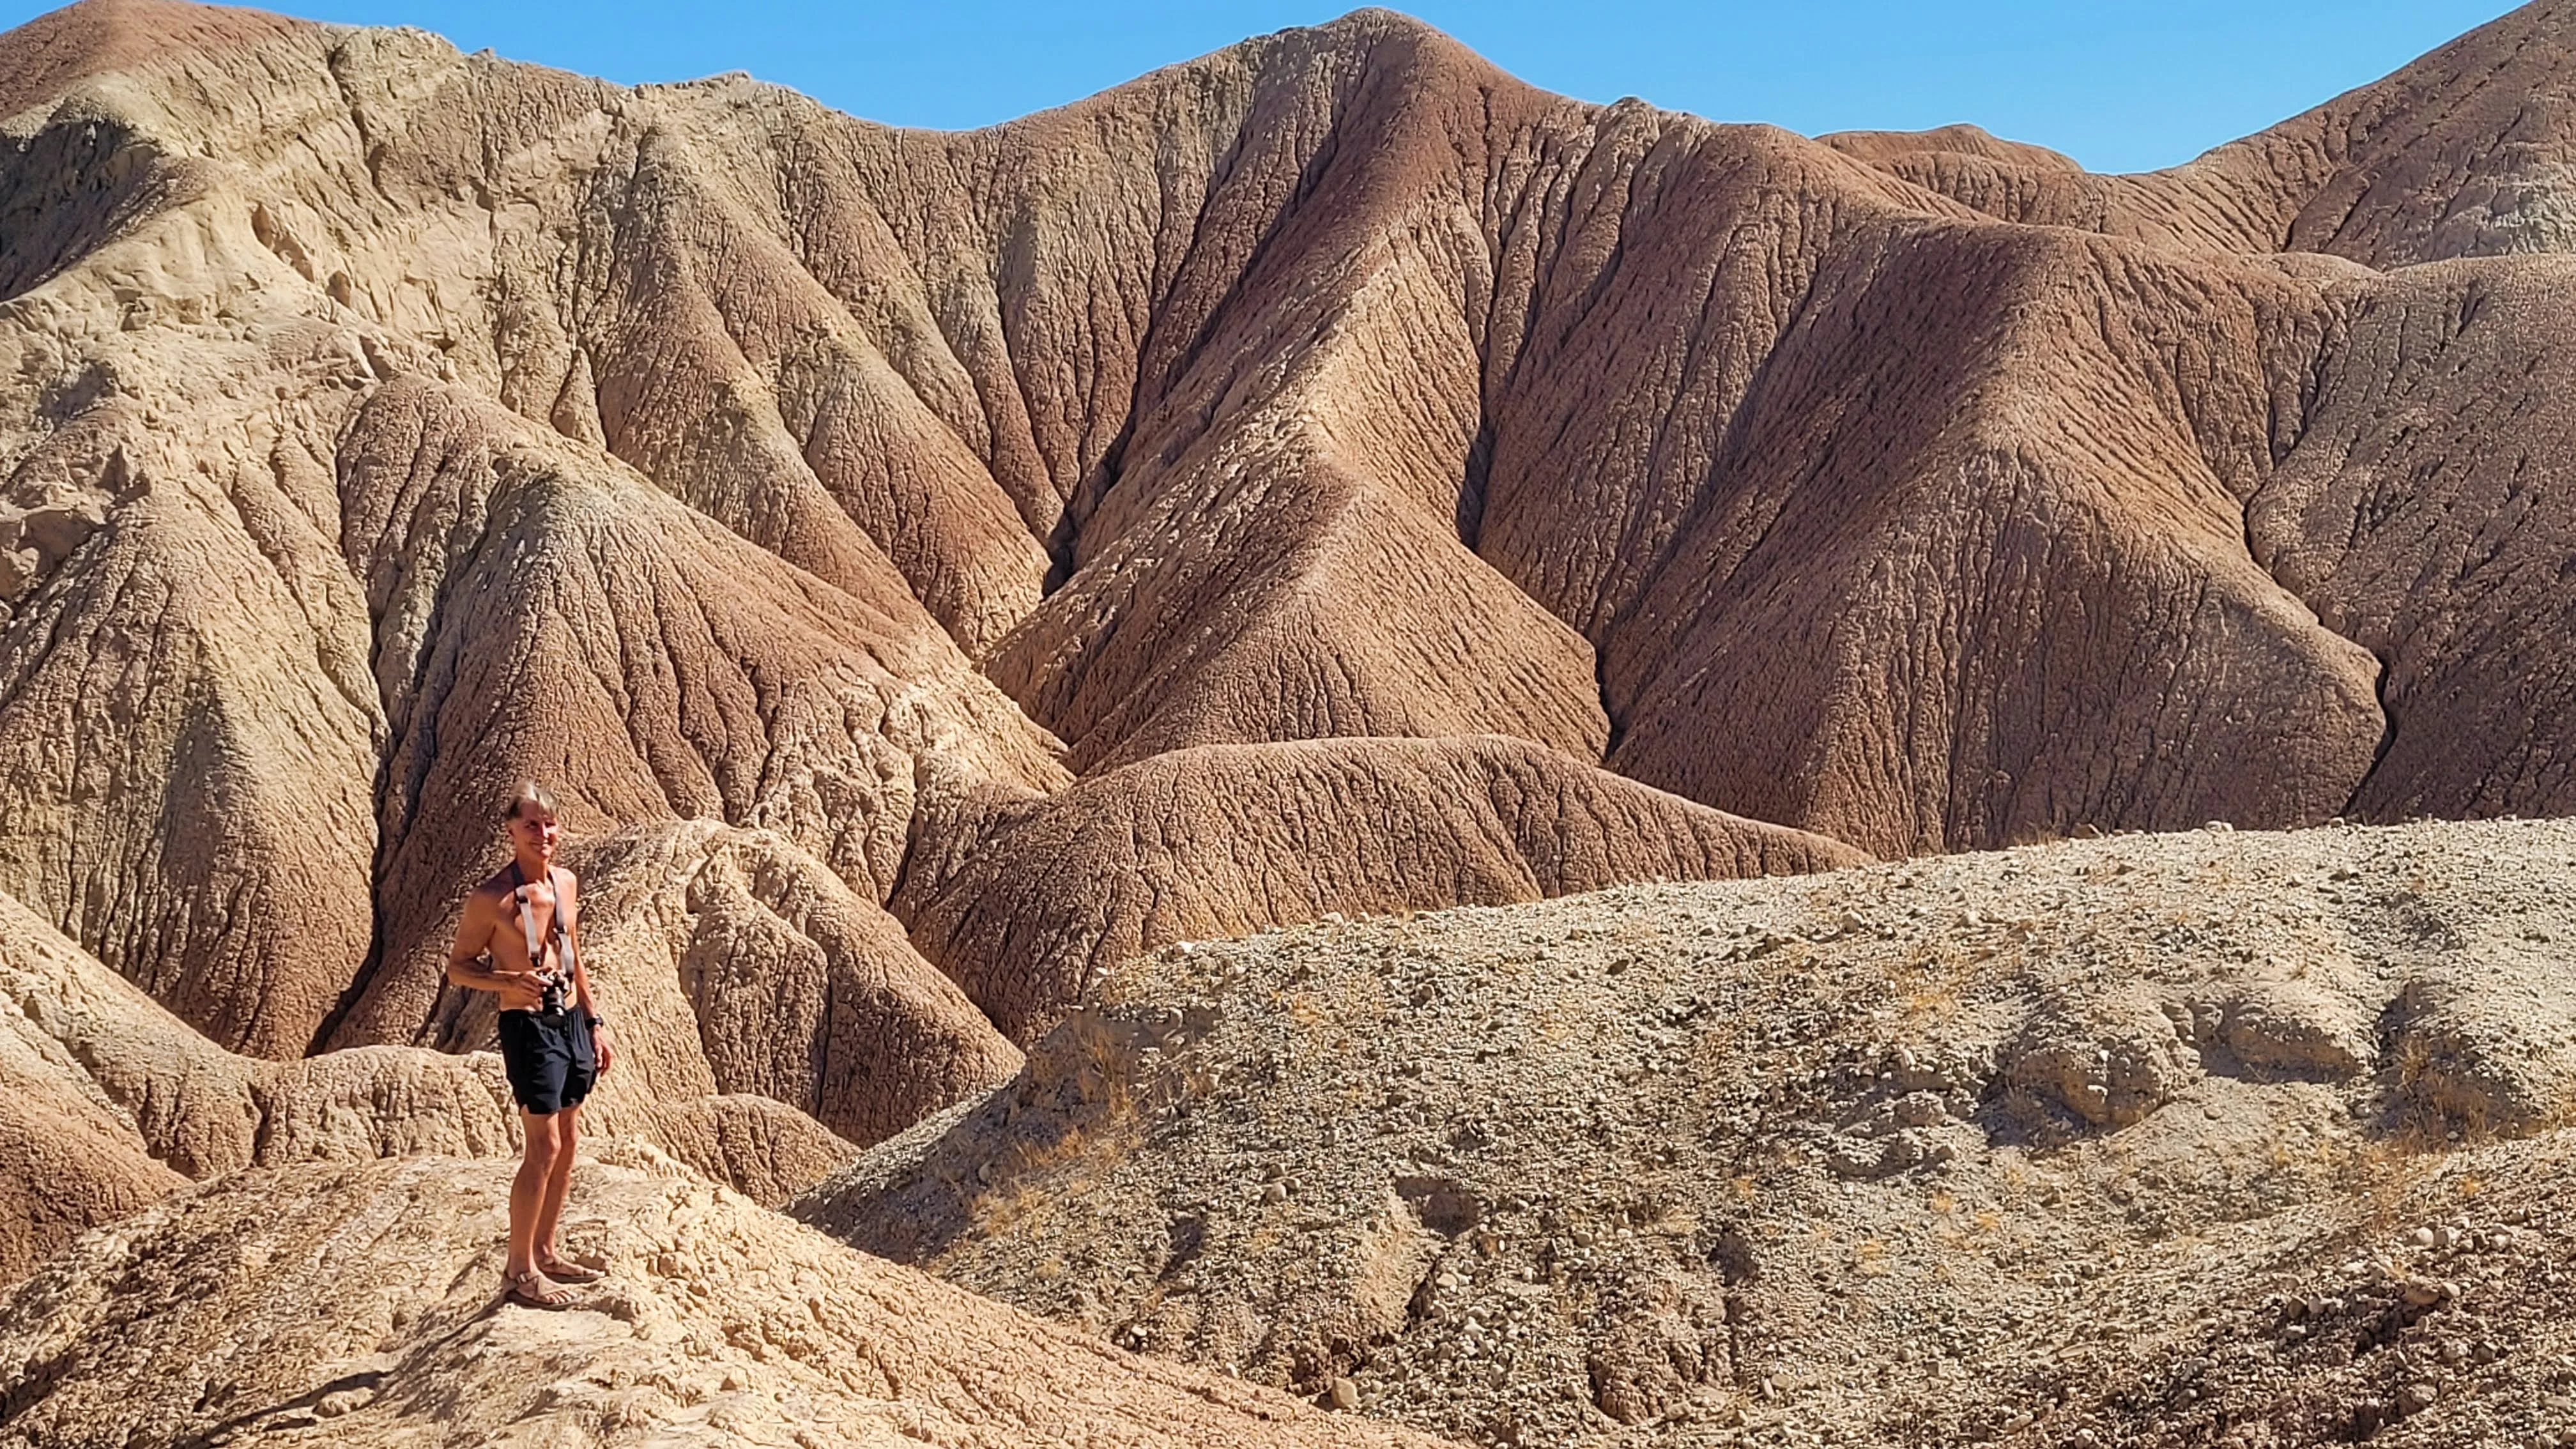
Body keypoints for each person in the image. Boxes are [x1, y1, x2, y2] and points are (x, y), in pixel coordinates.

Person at [444, 781, 618, 1308]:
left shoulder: (566, 883)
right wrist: (508, 981)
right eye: (530, 825)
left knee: (568, 1139)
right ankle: (517, 1272)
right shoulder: (490, 898)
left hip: (568, 1022)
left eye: (548, 824)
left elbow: (574, 955)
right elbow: (458, 968)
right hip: (527, 1027)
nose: (542, 834)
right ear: (511, 831)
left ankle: (545, 1249)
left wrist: (595, 1021)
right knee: (541, 1148)